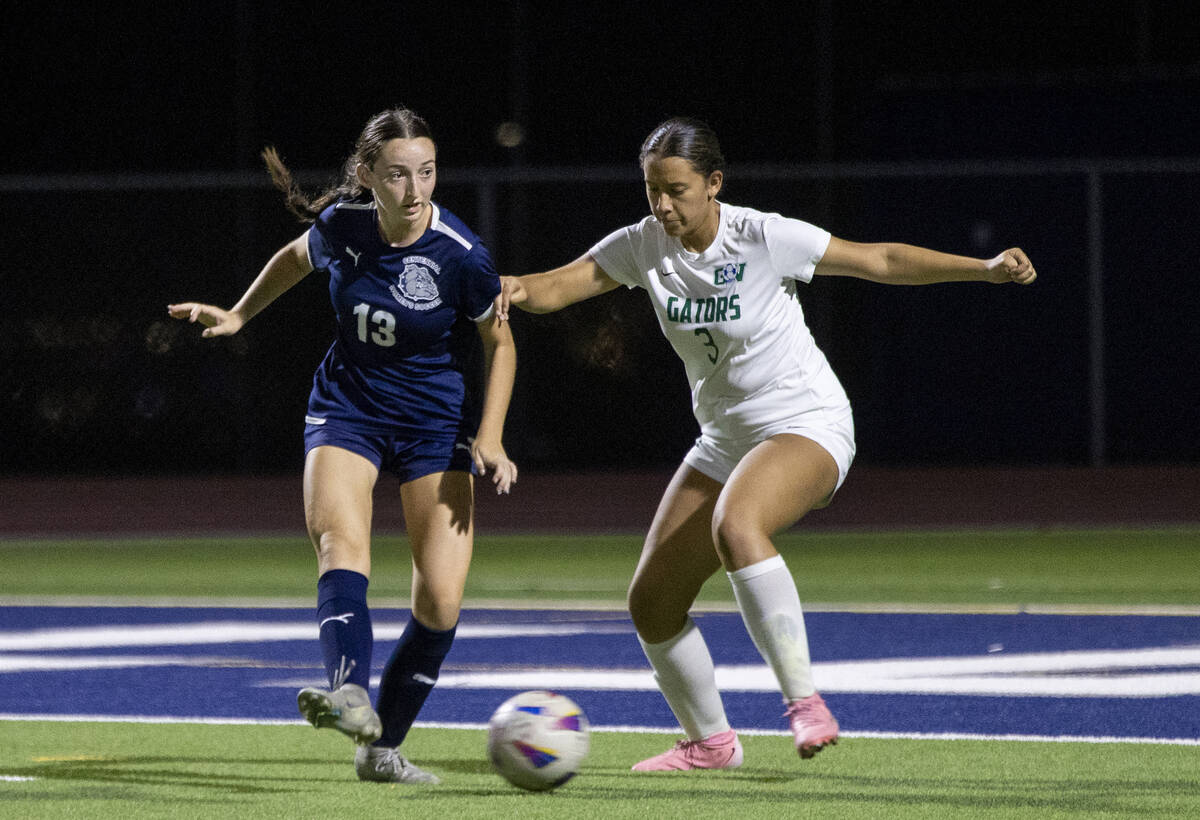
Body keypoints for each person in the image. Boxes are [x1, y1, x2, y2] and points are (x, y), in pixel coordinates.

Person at [495, 116, 1036, 772]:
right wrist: (510, 289)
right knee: (653, 601)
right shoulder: (644, 244)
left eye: (677, 190)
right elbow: (560, 285)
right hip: (727, 438)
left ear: (714, 184)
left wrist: (984, 269)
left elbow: (880, 259)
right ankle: (711, 743)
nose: (662, 205)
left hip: (807, 422)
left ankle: (805, 702)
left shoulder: (762, 236)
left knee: (739, 523)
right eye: (651, 190)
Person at [169, 107, 518, 785]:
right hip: (347, 409)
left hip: (431, 427)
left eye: (427, 172)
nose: (416, 190)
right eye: (397, 175)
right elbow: (294, 259)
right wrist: (240, 312)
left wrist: (492, 434)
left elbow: (499, 343)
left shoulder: (462, 254)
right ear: (366, 176)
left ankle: (381, 750)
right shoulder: (343, 227)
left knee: (441, 602)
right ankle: (349, 692)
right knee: (340, 545)